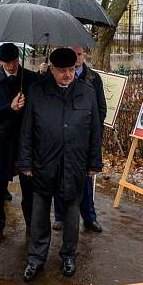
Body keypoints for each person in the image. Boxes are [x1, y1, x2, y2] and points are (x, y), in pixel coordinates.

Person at [19, 47, 103, 281]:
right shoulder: (37, 92)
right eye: (62, 70)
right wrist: (25, 161)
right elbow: (27, 130)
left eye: (71, 69)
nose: (67, 74)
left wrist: (94, 162)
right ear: (52, 69)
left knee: (71, 213)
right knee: (39, 214)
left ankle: (68, 256)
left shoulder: (87, 92)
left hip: (75, 163)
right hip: (44, 162)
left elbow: (95, 129)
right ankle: (36, 258)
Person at [0, 43, 38, 245]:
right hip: (0, 143)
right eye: (7, 62)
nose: (12, 65)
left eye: (15, 61)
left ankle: (32, 226)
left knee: (29, 188)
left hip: (25, 142)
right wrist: (10, 107)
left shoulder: (31, 78)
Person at [52, 45, 106, 233]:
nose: (76, 58)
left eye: (79, 54)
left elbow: (100, 108)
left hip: (83, 140)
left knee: (85, 182)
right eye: (73, 55)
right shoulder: (54, 77)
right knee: (60, 180)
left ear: (84, 55)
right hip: (62, 140)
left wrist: (94, 132)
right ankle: (60, 217)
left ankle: (89, 217)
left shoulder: (93, 78)